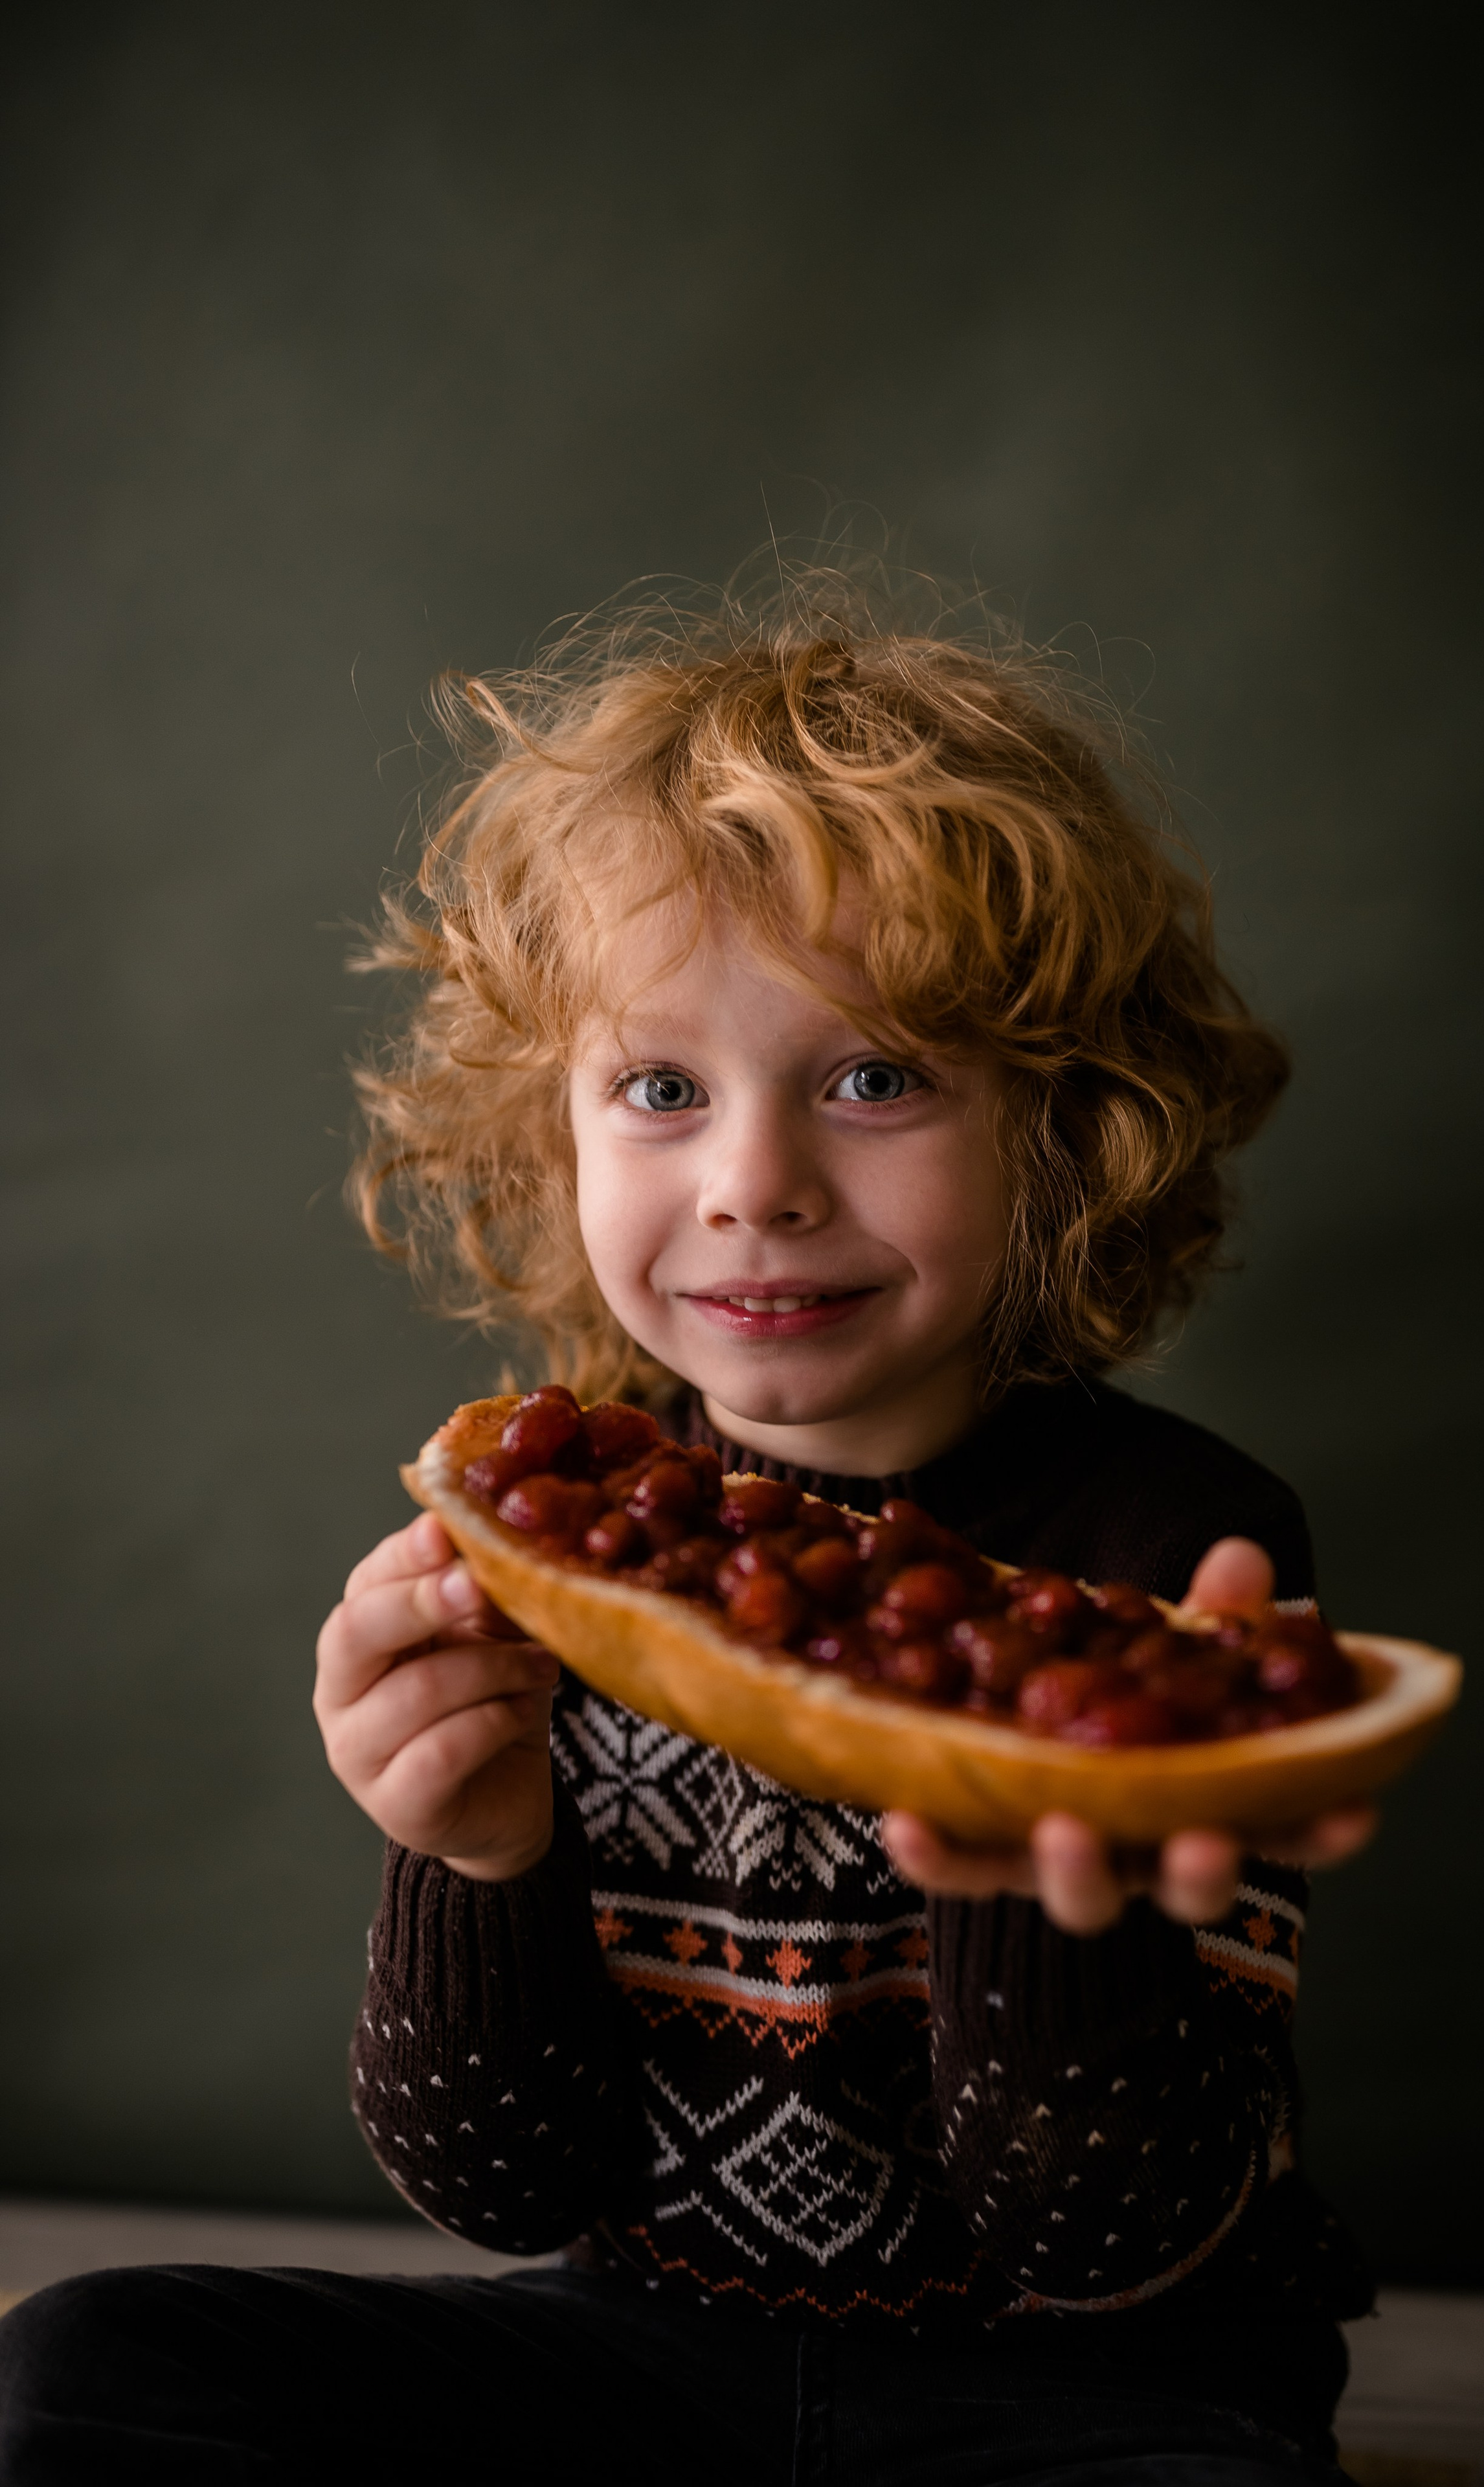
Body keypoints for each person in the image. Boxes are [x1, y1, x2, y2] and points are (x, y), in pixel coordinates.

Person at [0, 570, 1380, 2482]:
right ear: (545, 1132)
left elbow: (1115, 2236)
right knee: (78, 2367)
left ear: (1064, 1127)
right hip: (640, 2360)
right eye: (658, 1086)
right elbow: (501, 2187)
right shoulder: (552, 1522)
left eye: (877, 1077)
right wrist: (470, 1859)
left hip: (1084, 2390)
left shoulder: (1186, 1542)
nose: (753, 1185)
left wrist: (1027, 1882)